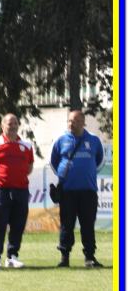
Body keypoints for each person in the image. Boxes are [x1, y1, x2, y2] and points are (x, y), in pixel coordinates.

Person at [50, 109, 105, 268]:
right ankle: (64, 257)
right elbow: (53, 162)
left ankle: (90, 257)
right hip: (67, 192)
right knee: (66, 225)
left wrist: (88, 173)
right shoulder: (60, 140)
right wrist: (63, 175)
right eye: (69, 121)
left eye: (75, 121)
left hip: (88, 191)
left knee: (88, 224)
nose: (71, 123)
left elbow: (99, 162)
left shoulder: (94, 140)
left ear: (83, 122)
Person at [0, 114, 34, 269]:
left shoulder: (27, 145)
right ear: (2, 125)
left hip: (21, 190)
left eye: (15, 123)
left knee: (18, 225)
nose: (12, 127)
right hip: (1, 191)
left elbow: (29, 167)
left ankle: (12, 256)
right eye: (9, 124)